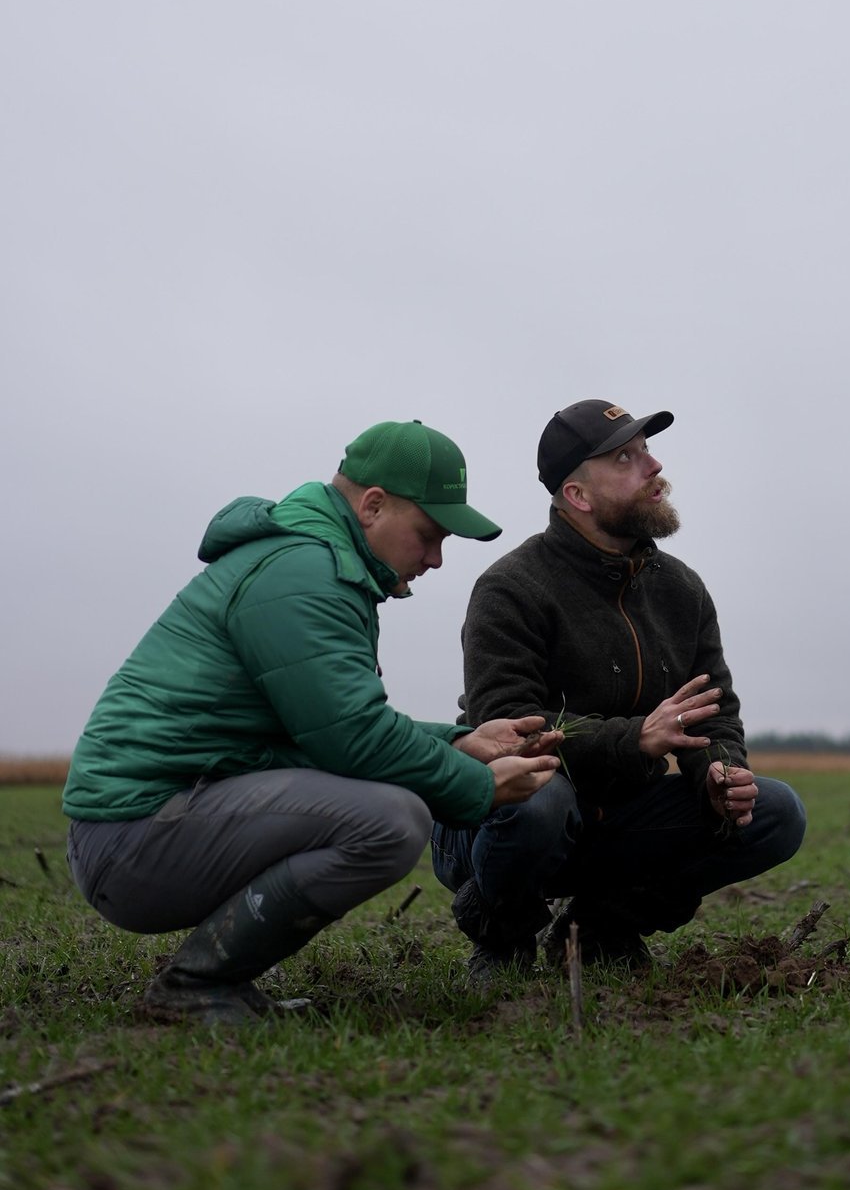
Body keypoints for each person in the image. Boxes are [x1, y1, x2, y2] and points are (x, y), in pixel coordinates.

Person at [63, 419, 560, 1022]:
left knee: (384, 806)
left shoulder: (312, 561)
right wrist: (477, 786)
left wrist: (461, 742)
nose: (435, 558)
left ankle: (216, 981)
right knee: (390, 820)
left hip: (151, 821)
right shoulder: (304, 572)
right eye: (429, 534)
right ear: (373, 505)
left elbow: (331, 726)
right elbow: (352, 739)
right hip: (131, 839)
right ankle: (196, 986)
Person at [432, 399, 807, 983]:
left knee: (776, 813)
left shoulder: (681, 590)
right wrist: (635, 740)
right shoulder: (512, 586)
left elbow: (713, 712)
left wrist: (719, 771)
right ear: (578, 495)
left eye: (647, 450)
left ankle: (602, 929)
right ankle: (501, 934)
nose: (653, 466)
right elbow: (510, 730)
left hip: (619, 817)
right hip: (501, 822)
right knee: (538, 797)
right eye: (625, 458)